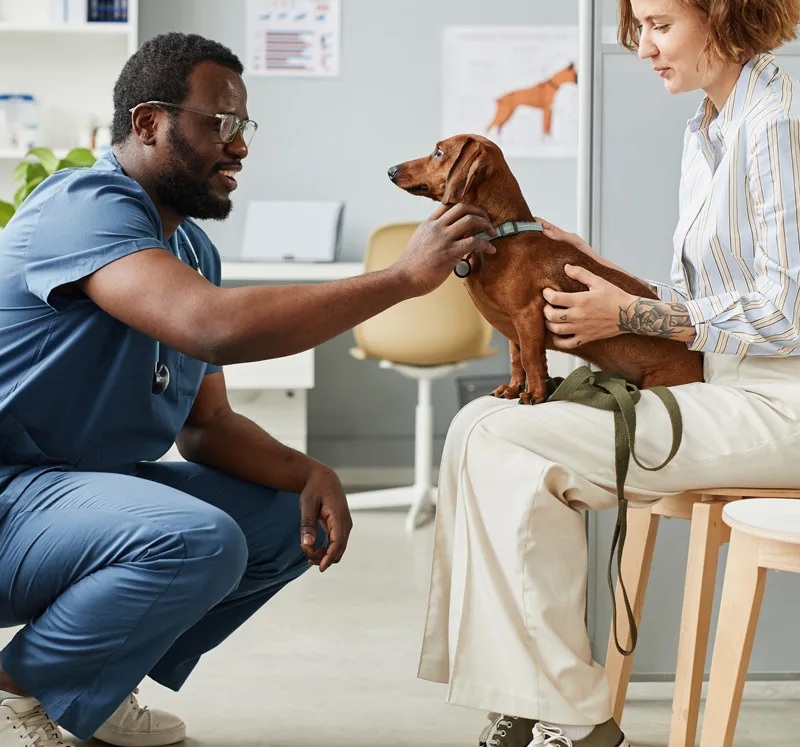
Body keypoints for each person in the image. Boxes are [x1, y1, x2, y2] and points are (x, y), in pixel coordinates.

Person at [0, 32, 497, 747]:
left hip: (75, 505)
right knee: (193, 537)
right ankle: (18, 691)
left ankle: (95, 683)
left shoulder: (191, 248)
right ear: (148, 123)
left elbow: (206, 425)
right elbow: (210, 327)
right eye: (219, 123)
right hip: (14, 495)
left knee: (280, 517)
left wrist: (308, 472)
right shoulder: (84, 205)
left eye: (244, 127)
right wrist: (400, 279)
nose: (238, 147)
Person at [417, 1, 800, 746]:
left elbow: (787, 311)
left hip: (780, 403)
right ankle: (534, 690)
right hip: (723, 381)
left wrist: (626, 318)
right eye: (639, 27)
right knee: (479, 423)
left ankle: (570, 713)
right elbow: (707, 301)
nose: (644, 46)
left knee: (509, 443)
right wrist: (593, 266)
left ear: (722, 12)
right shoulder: (711, 127)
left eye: (659, 24)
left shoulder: (776, 125)